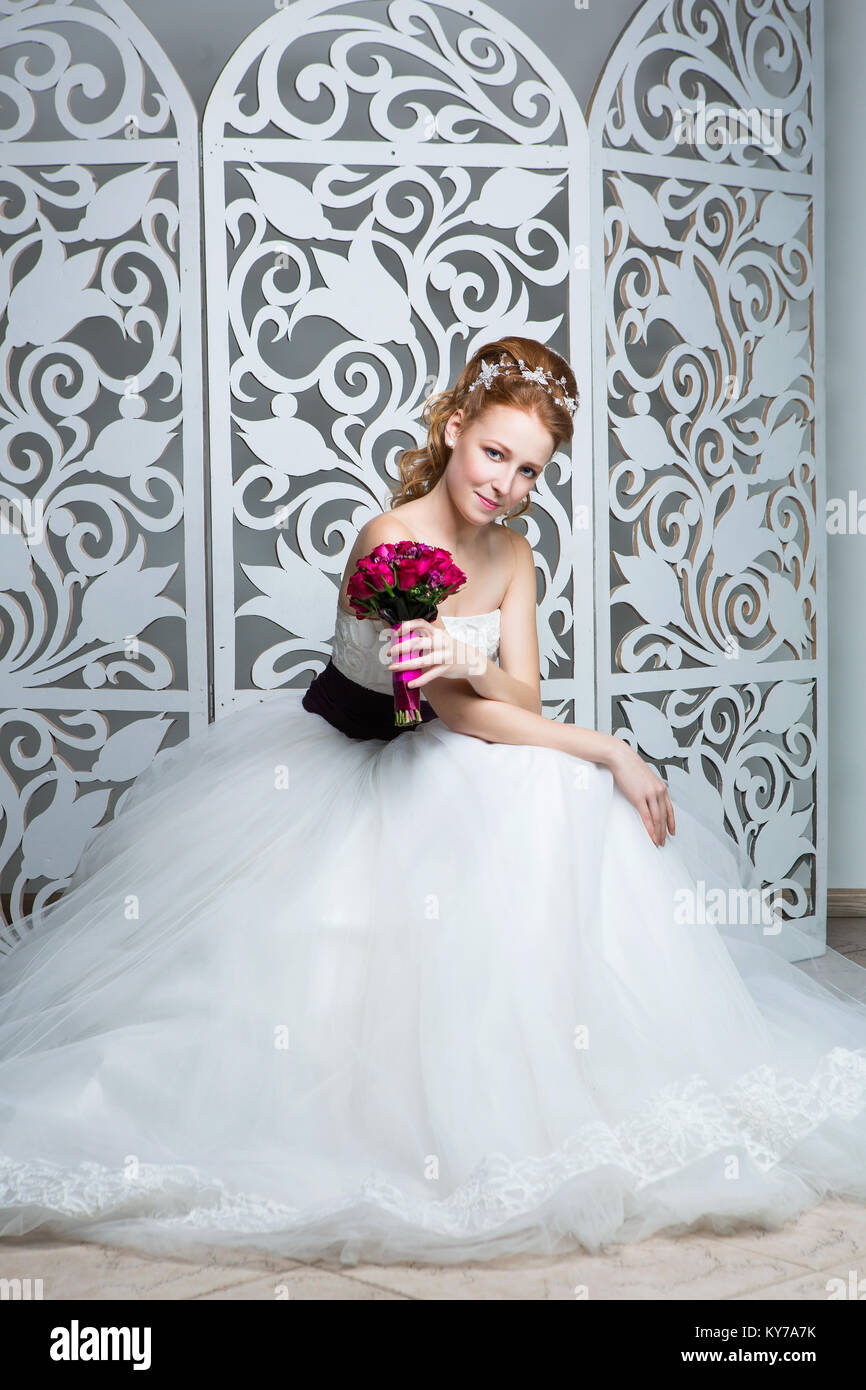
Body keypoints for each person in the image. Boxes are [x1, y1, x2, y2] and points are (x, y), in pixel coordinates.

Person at [0, 336, 865, 1270]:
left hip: (453, 745)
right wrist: (612, 746)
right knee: (556, 779)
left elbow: (517, 698)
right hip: (362, 756)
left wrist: (483, 664)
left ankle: (570, 1062)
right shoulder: (391, 541)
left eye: (529, 470)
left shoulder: (516, 553)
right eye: (494, 453)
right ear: (455, 430)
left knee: (557, 794)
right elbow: (456, 713)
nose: (506, 484)